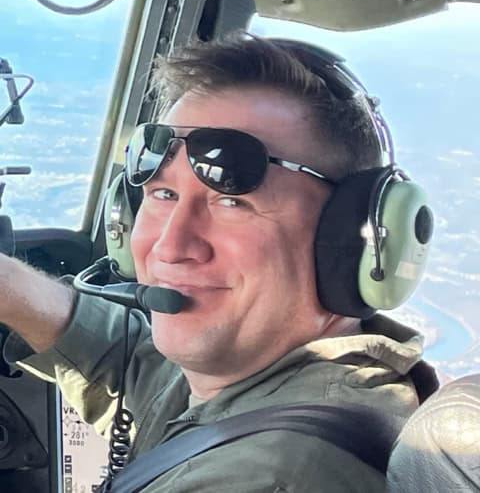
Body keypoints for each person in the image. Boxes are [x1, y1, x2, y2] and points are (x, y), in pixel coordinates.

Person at [0, 35, 437, 492]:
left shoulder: (269, 476)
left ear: (353, 241)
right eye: (163, 194)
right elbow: (133, 366)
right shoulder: (261, 382)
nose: (170, 247)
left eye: (231, 203)